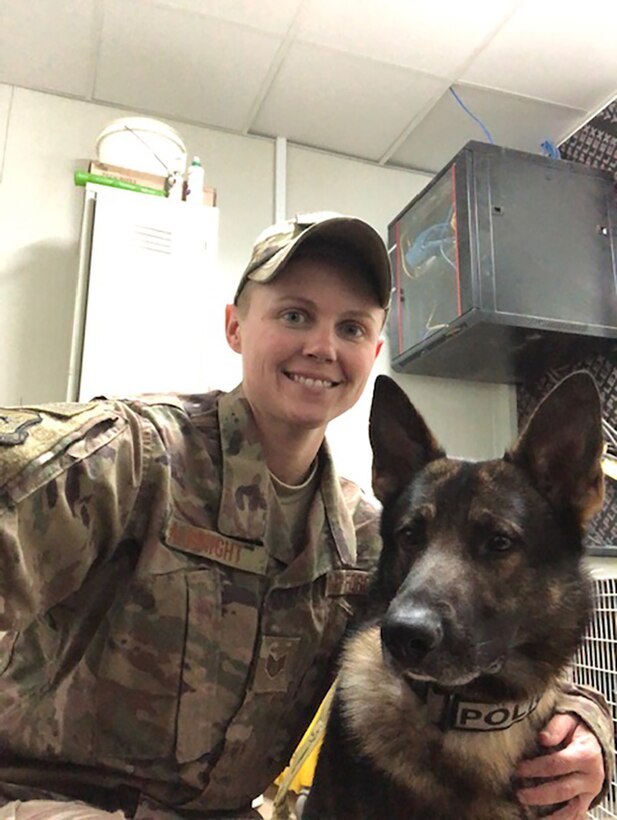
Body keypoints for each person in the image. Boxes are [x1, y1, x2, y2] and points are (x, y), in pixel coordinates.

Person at [0, 212, 612, 820]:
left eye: (351, 327)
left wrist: (589, 727)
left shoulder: (369, 537)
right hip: (53, 800)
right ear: (235, 326)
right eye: (295, 315)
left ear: (373, 352)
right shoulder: (128, 458)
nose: (322, 347)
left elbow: (508, 642)